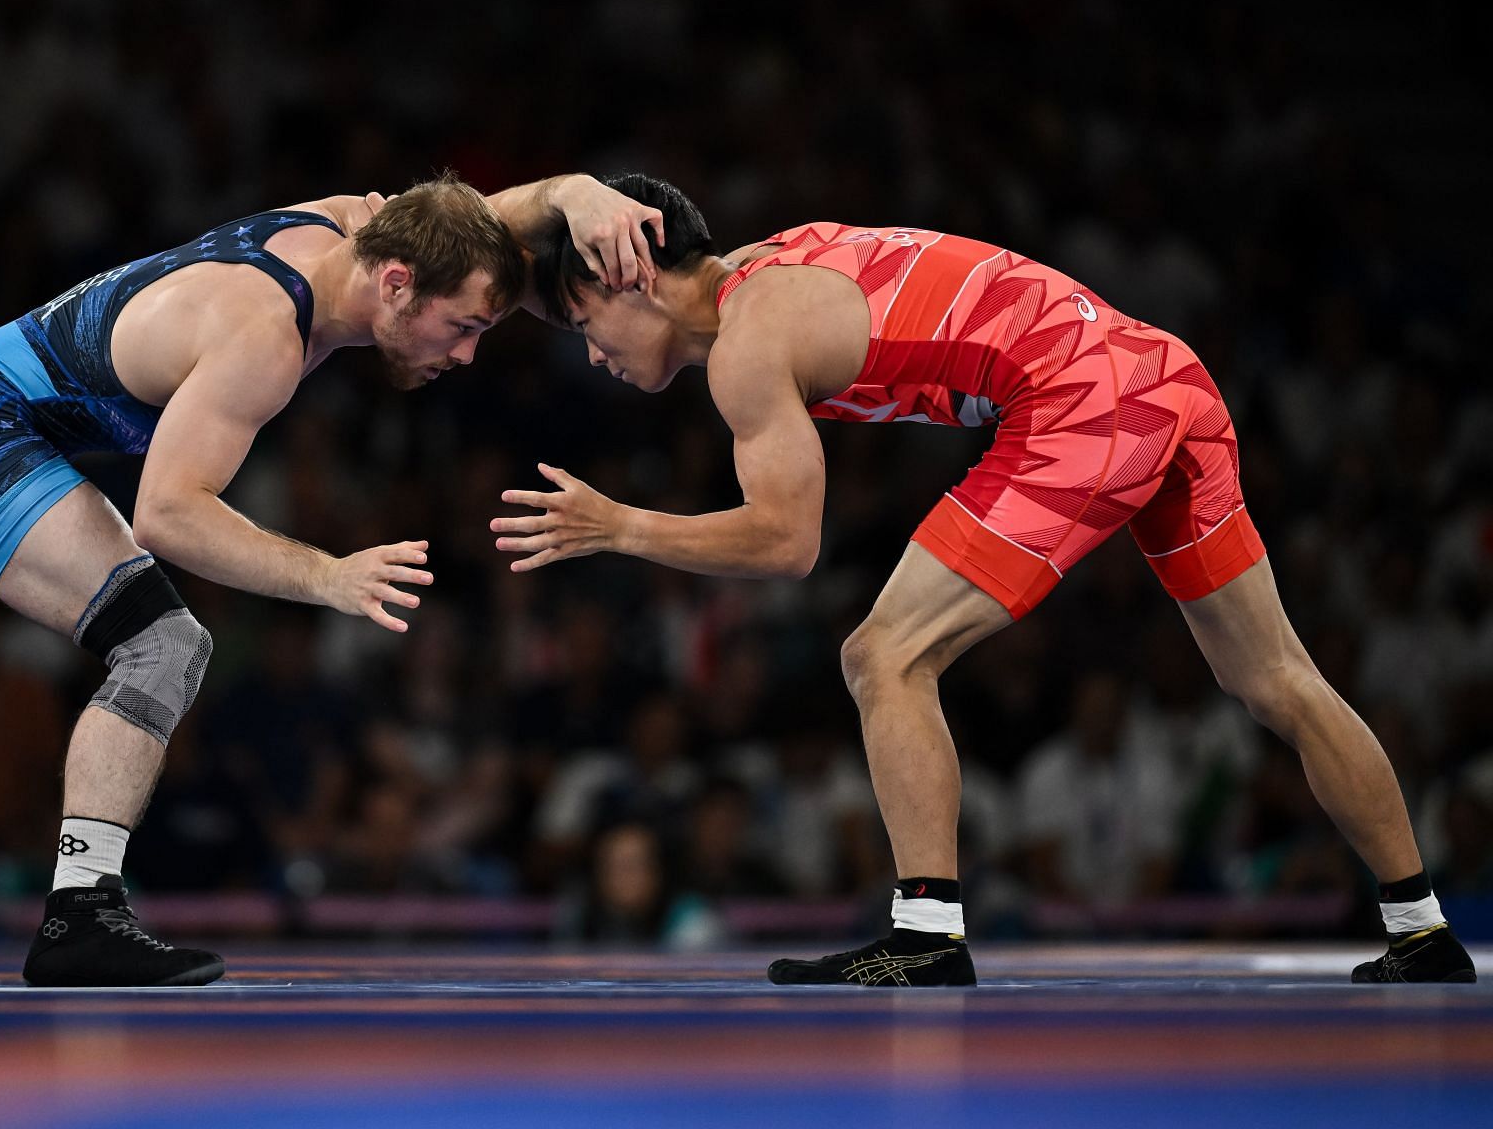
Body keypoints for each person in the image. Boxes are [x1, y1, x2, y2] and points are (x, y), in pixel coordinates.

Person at [0, 171, 660, 988]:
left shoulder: (365, 223)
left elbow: (481, 216)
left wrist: (579, 192)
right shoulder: (263, 335)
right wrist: (326, 575)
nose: (467, 354)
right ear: (396, 285)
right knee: (162, 640)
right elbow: (169, 512)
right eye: (464, 327)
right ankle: (80, 916)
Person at [494, 172, 1476, 987]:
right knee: (1274, 679)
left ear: (634, 274)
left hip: (1083, 399)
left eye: (583, 319)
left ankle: (925, 935)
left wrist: (620, 525)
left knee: (883, 654)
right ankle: (1424, 929)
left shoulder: (750, 341)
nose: (592, 353)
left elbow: (786, 544)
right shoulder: (773, 262)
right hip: (1160, 371)